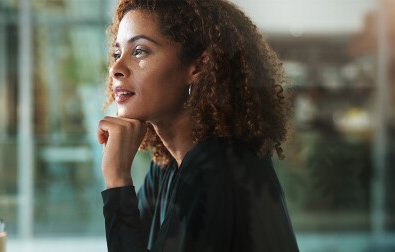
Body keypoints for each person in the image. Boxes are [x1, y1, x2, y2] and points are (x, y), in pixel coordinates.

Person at [97, 0, 298, 251]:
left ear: (198, 67)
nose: (115, 68)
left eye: (139, 51)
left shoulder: (219, 169)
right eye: (117, 54)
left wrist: (117, 179)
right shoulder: (167, 167)